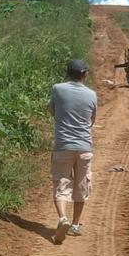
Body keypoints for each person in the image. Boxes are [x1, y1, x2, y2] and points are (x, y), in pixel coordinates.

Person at [49, 58, 98, 244]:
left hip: (63, 146)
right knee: (81, 185)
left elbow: (52, 110)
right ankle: (76, 225)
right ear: (85, 74)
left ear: (67, 72)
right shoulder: (92, 95)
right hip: (84, 146)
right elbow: (91, 120)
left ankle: (63, 219)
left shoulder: (57, 89)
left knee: (61, 183)